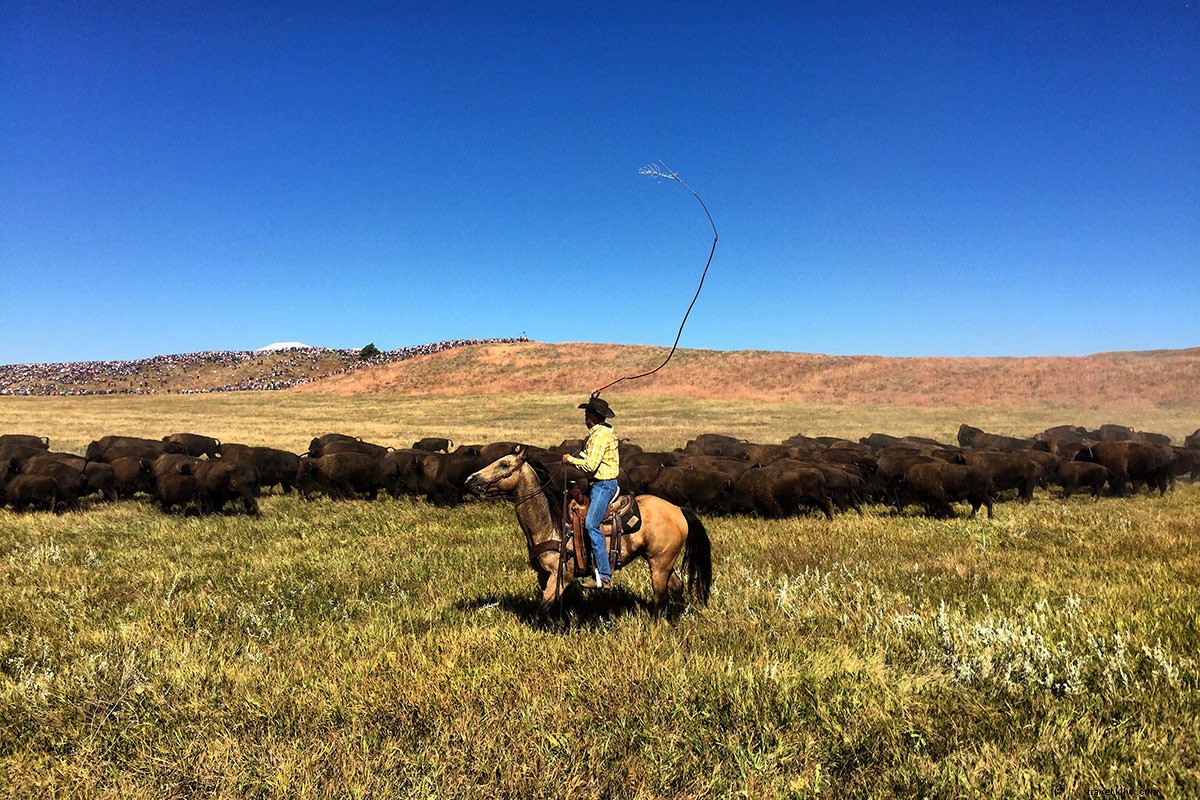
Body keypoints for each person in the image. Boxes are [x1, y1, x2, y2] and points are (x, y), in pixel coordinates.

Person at [561, 395, 620, 589]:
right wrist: (593, 398)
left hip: (603, 485)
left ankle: (604, 576)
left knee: (591, 524)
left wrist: (570, 460)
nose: (584, 417)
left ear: (592, 416)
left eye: (587, 413)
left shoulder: (600, 436)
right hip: (598, 484)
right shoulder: (602, 431)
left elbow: (590, 465)